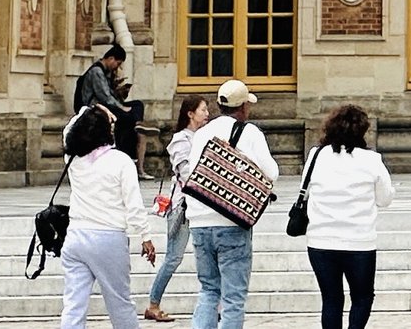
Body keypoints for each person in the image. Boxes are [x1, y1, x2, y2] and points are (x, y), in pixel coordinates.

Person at [188, 80, 278, 329]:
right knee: (233, 297)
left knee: (208, 290)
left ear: (219, 105)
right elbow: (271, 172)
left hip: (199, 221)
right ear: (244, 107)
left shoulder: (202, 132)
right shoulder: (250, 132)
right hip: (232, 220)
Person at [61, 102, 155, 329]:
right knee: (119, 303)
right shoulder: (121, 161)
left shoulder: (73, 159)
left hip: (75, 236)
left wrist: (89, 110)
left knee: (73, 305)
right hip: (108, 238)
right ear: (106, 131)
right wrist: (145, 235)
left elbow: (68, 131)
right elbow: (133, 205)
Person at [299, 104, 393, 329]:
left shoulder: (316, 155)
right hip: (359, 241)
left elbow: (305, 189)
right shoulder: (371, 160)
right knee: (362, 297)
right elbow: (385, 198)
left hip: (321, 240)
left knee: (331, 299)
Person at [141, 93, 218, 320]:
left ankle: (217, 306)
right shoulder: (180, 141)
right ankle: (153, 304)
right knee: (174, 257)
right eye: (203, 110)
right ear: (190, 113)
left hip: (204, 206)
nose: (207, 114)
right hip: (183, 206)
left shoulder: (206, 136)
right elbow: (186, 173)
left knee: (212, 255)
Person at [74, 43, 143, 163]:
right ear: (111, 58)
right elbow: (104, 97)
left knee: (138, 104)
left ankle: (137, 124)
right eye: (118, 63)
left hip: (106, 105)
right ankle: (128, 152)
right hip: (95, 107)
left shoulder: (106, 73)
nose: (117, 67)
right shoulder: (96, 72)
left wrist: (120, 92)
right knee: (126, 117)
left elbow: (110, 95)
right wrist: (122, 107)